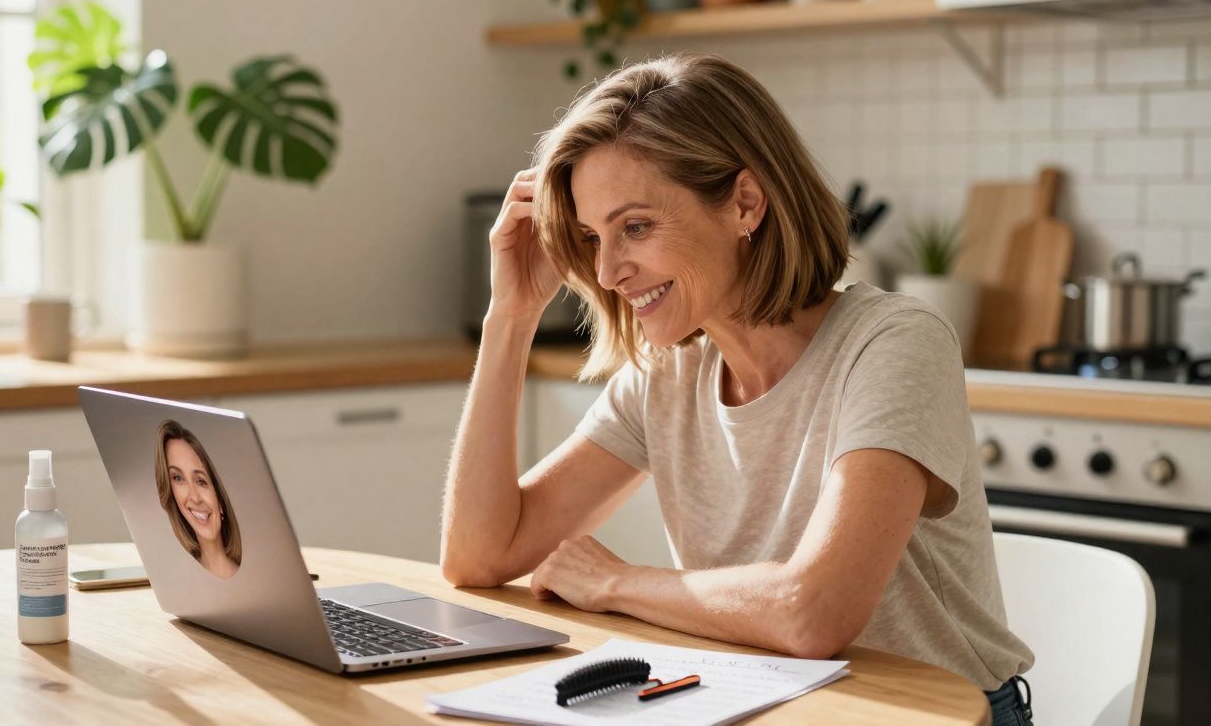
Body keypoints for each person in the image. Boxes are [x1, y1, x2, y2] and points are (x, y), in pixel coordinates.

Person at [439, 53, 1035, 724]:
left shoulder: (893, 344)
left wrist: (616, 582)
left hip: (941, 715)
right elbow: (478, 557)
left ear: (745, 204)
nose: (607, 271)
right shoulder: (667, 376)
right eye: (590, 236)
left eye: (635, 227)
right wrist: (510, 317)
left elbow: (815, 613)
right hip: (770, 709)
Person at [155, 419, 242, 579]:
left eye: (201, 481)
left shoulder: (256, 581)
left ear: (221, 499)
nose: (194, 498)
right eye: (178, 478)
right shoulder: (177, 580)